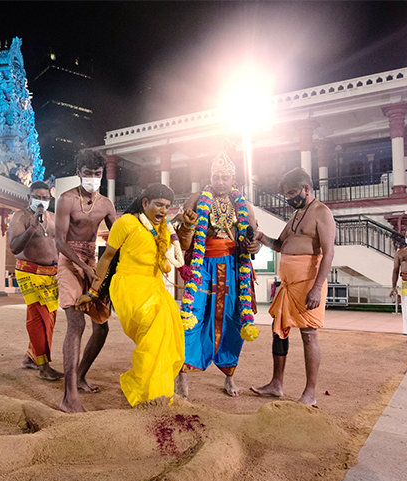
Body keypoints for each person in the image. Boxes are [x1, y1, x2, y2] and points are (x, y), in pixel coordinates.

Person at [75, 184, 188, 406]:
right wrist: (93, 291)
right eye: (158, 204)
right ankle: (141, 389)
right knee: (154, 328)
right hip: (129, 285)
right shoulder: (126, 223)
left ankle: (156, 391)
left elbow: (181, 246)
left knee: (172, 334)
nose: (163, 210)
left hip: (155, 287)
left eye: (167, 206)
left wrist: (188, 226)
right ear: (145, 203)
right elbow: (107, 258)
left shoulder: (164, 227)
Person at [176, 149, 261, 399]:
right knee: (192, 316)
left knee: (233, 320)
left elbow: (253, 236)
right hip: (202, 267)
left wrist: (254, 245)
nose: (220, 181)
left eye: (225, 177)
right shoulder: (197, 197)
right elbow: (183, 233)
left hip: (233, 269)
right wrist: (187, 222)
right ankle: (182, 377)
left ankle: (229, 376)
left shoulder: (242, 204)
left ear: (233, 180)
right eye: (216, 176)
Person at [252, 167, 335, 405]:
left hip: (308, 282)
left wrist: (317, 288)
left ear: (306, 189)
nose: (289, 198)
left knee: (309, 335)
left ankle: (310, 393)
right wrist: (261, 237)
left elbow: (329, 253)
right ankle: (276, 384)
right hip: (288, 284)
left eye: (291, 193)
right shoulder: (297, 214)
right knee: (279, 330)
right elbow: (279, 244)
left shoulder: (322, 213)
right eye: (287, 194)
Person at [54, 149, 116, 413]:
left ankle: (79, 375)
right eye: (88, 173)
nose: (93, 178)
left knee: (101, 328)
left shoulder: (106, 204)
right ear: (78, 173)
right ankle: (69, 396)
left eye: (97, 174)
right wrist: (82, 267)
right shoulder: (66, 199)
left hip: (93, 264)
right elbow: (59, 240)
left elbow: (120, 237)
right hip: (69, 262)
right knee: (76, 323)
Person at [10, 181, 64, 381]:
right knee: (38, 318)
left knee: (49, 319)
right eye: (38, 197)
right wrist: (31, 228)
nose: (42, 202)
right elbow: (14, 247)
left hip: (51, 274)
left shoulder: (53, 218)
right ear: (29, 197)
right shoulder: (20, 216)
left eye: (45, 198)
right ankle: (44, 366)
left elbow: (59, 245)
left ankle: (31, 358)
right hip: (29, 271)